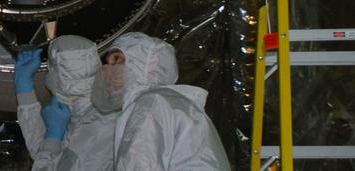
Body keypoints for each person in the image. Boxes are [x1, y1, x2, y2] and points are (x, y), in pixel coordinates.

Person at [94, 33, 229, 171]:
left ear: (147, 64)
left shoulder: (151, 104)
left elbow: (139, 165)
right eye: (109, 62)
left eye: (117, 59)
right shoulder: (171, 102)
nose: (109, 68)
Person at [15, 36, 117, 170]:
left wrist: (54, 134)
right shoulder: (87, 110)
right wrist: (24, 87)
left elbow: (48, 164)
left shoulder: (99, 130)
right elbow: (45, 154)